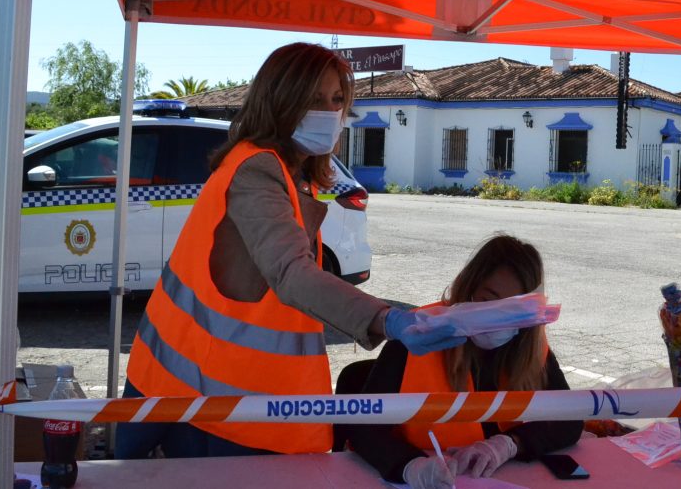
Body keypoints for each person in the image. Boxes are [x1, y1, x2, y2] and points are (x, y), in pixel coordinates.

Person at [117, 43, 464, 459]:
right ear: (279, 100)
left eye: (337, 99)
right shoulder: (257, 168)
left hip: (226, 400)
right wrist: (387, 319)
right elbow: (291, 273)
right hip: (209, 406)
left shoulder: (289, 172)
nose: (330, 112)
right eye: (314, 100)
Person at [345, 235, 583, 489]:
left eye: (512, 309)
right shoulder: (417, 333)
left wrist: (509, 444)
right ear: (468, 291)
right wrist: (411, 466)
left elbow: (570, 418)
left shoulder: (530, 345)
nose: (496, 318)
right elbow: (363, 428)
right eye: (487, 301)